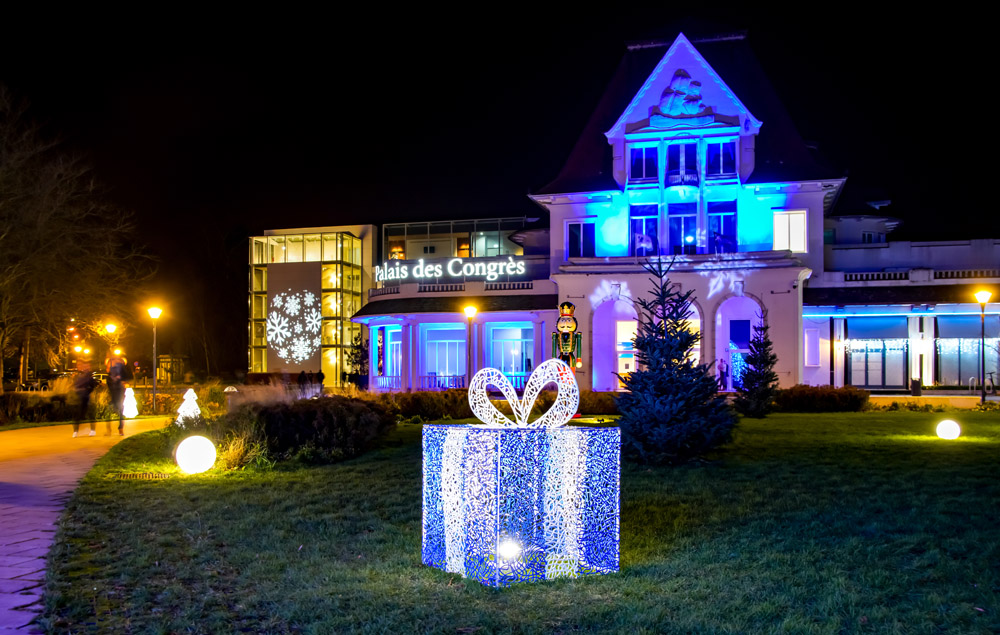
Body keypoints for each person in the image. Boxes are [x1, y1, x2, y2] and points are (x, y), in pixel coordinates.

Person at [72, 361, 98, 437]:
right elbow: (75, 384)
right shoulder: (78, 375)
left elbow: (92, 385)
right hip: (79, 396)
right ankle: (75, 431)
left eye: (86, 366)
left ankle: (92, 430)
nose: (84, 367)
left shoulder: (89, 375)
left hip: (86, 395)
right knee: (78, 413)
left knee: (89, 412)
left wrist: (87, 390)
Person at [106, 353, 128, 435]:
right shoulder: (109, 375)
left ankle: (120, 428)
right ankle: (109, 430)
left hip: (119, 394)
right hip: (112, 395)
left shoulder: (121, 372)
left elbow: (126, 379)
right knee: (109, 411)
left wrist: (121, 381)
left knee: (120, 410)